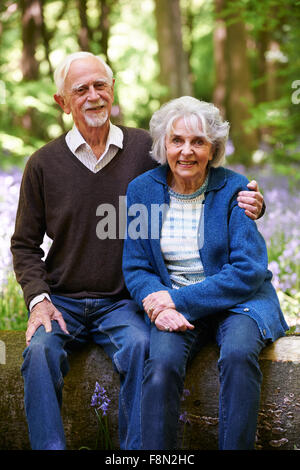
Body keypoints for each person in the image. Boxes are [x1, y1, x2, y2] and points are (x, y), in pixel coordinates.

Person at [11, 52, 264, 451]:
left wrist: (251, 204)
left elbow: (200, 173)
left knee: (146, 350)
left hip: (122, 302)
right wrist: (38, 300)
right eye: (81, 89)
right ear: (62, 102)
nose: (94, 96)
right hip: (63, 299)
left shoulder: (147, 148)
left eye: (101, 85)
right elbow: (24, 244)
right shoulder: (43, 163)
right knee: (38, 354)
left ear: (112, 90)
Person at [122, 96, 288, 450]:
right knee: (162, 362)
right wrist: (159, 306)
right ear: (163, 145)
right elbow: (136, 266)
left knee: (239, 354)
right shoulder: (142, 191)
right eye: (177, 140)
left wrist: (176, 299)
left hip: (239, 302)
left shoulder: (235, 189)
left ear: (213, 150)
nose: (186, 151)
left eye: (198, 141)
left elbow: (248, 271)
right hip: (174, 305)